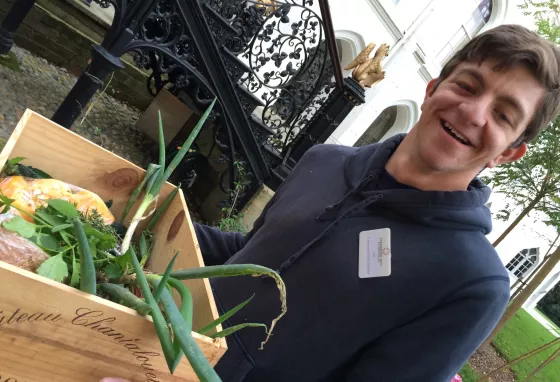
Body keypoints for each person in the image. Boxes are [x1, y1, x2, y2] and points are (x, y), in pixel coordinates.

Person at [102, 24, 560, 382]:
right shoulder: (325, 161)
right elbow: (248, 256)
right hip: (133, 344)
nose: (474, 112)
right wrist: (124, 213)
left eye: (503, 115)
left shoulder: (472, 283)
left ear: (508, 152)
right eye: (468, 85)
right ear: (433, 89)